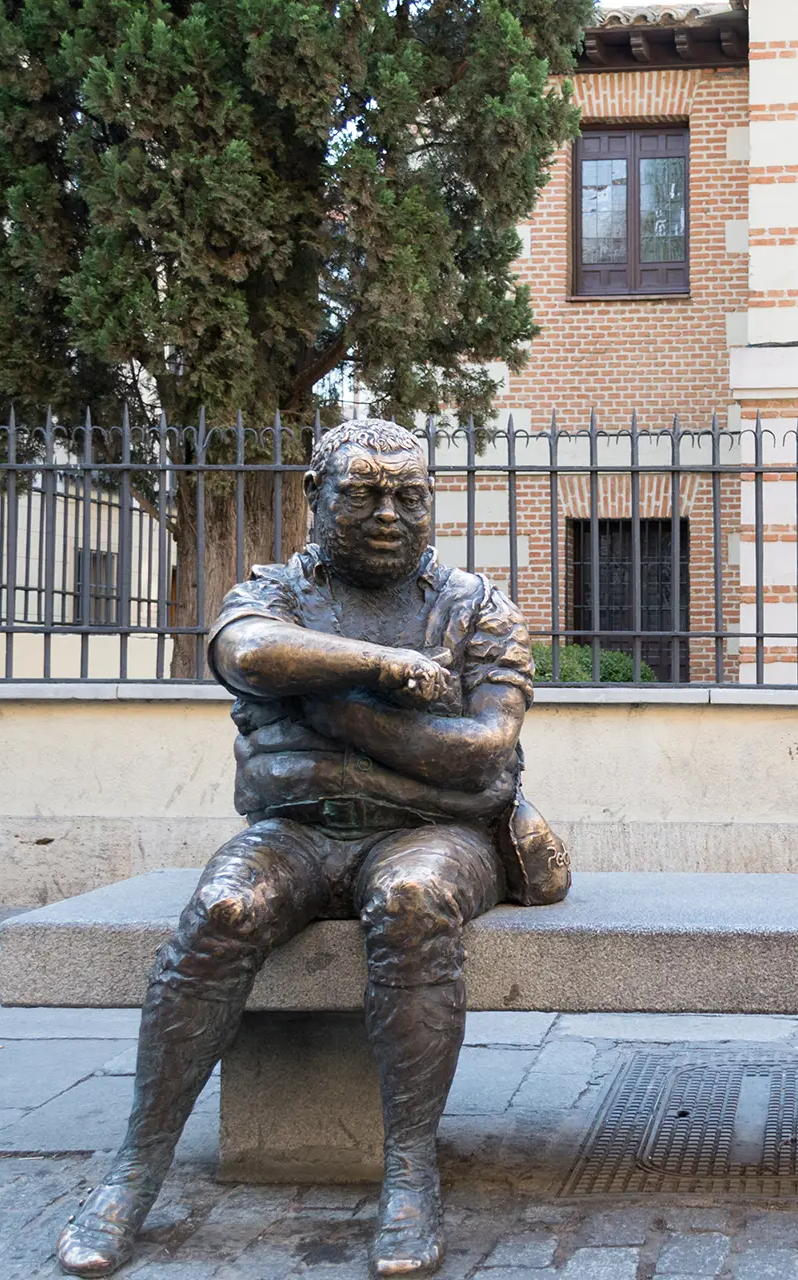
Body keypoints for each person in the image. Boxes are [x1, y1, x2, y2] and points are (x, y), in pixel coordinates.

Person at [56, 418, 568, 1278]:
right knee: (222, 910)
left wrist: (324, 717)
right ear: (314, 497)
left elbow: (481, 752)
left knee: (412, 901)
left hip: (435, 837)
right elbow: (247, 651)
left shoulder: (478, 606)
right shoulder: (274, 592)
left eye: (408, 496)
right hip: (297, 833)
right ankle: (135, 1169)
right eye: (363, 494)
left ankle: (410, 1173)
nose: (388, 514)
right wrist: (380, 670)